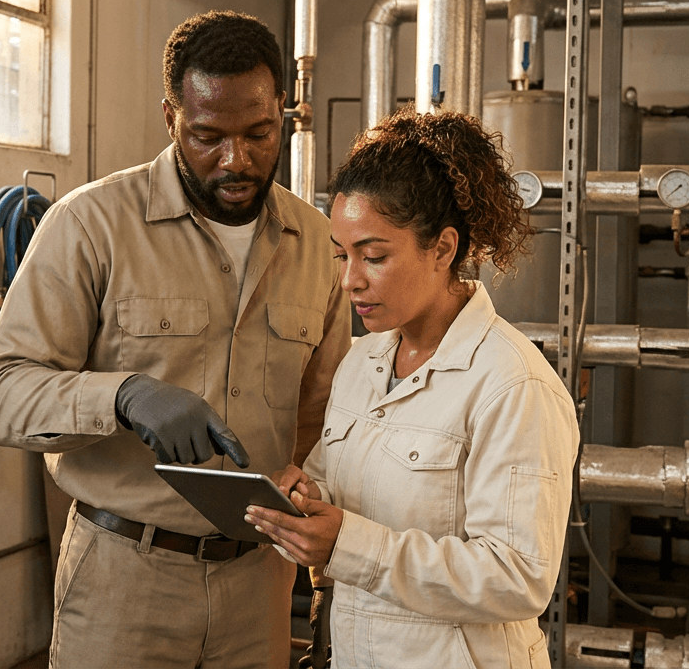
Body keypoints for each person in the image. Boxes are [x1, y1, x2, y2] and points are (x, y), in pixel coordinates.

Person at [0, 11, 351, 669]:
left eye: (259, 134)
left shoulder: (319, 245)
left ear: (285, 118)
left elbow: (328, 419)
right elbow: (3, 397)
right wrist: (124, 395)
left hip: (261, 581)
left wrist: (326, 568)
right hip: (126, 580)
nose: (236, 160)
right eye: (208, 136)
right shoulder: (90, 227)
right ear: (170, 117)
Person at [246, 109, 580, 668]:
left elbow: (519, 577)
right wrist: (307, 496)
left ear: (443, 249)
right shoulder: (361, 362)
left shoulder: (511, 383)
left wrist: (346, 546)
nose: (351, 279)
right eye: (343, 255)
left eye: (373, 256)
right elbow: (339, 481)